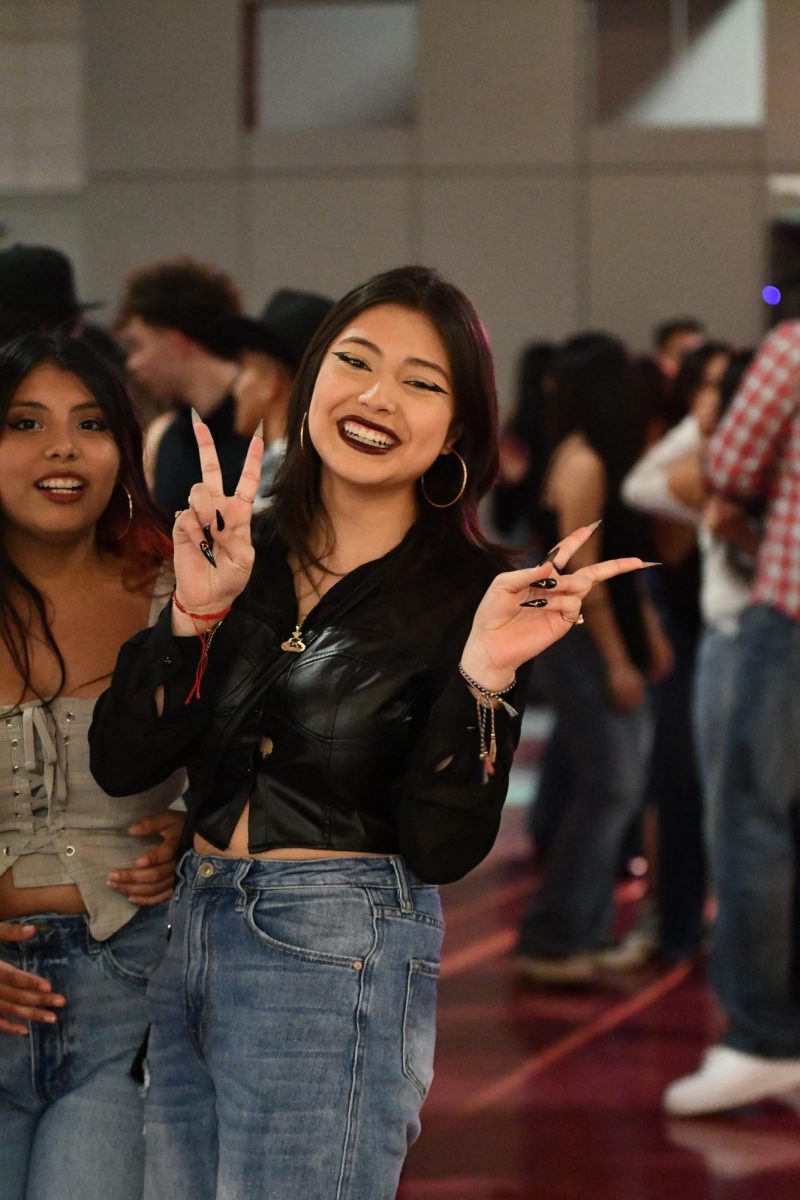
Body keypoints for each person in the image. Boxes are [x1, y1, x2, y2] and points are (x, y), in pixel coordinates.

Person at [88, 266, 651, 1199]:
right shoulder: (241, 545)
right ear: (312, 383)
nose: (379, 396)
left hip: (335, 951)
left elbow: (442, 844)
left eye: (422, 382)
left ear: (457, 432)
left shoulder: (473, 597)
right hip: (186, 934)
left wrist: (485, 678)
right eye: (356, 361)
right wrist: (191, 617)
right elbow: (124, 762)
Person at [0, 333, 186, 1200]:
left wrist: (196, 828)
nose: (62, 449)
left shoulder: (176, 595)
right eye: (25, 423)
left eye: (90, 423)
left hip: (132, 999)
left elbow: (255, 770)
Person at [664, 321, 800, 1116]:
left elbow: (730, 463)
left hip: (789, 616)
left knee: (753, 821)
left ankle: (762, 1037)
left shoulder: (791, 348)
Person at [513, 333, 670, 985]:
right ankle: (556, 936)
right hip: (580, 639)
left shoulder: (592, 454)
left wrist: (646, 639)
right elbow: (584, 577)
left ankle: (573, 929)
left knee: (604, 785)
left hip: (593, 636)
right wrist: (618, 662)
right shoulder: (583, 462)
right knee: (612, 788)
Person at [114, 256, 248, 516]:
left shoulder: (270, 425)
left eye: (138, 344)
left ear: (176, 341)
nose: (132, 363)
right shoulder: (166, 436)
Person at [208, 286, 334, 508]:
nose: (235, 388)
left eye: (244, 368)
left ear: (271, 383)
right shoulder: (311, 473)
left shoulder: (281, 477)